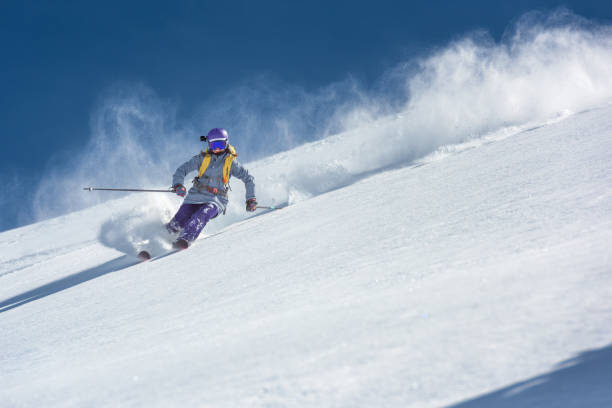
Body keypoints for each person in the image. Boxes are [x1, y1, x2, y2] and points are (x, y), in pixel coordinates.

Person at [166, 128, 257, 248]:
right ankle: (159, 241)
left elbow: (248, 178)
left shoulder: (231, 163)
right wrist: (178, 184)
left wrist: (251, 199)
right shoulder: (201, 159)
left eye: (221, 144)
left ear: (227, 143)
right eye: (214, 145)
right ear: (209, 144)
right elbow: (182, 170)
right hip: (195, 196)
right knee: (181, 217)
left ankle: (185, 239)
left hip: (216, 199)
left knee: (203, 213)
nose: (218, 148)